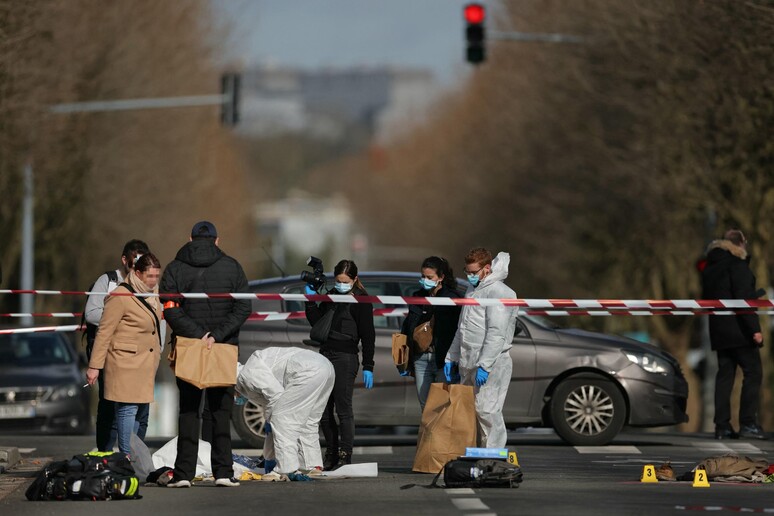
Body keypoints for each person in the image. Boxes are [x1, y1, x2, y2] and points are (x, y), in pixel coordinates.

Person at [160, 221, 251, 488]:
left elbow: (170, 308)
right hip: (223, 347)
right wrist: (216, 334)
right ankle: (222, 472)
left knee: (188, 412)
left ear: (189, 239)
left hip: (189, 346)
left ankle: (183, 474)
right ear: (217, 241)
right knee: (220, 412)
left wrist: (197, 334)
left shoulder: (175, 268)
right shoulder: (233, 267)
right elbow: (243, 307)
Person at [85, 253, 163, 458]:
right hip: (124, 361)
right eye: (150, 276)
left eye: (157, 276)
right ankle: (126, 456)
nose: (154, 280)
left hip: (145, 362)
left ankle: (133, 454)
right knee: (127, 409)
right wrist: (95, 366)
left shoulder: (153, 294)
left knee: (139, 411)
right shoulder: (120, 296)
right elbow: (104, 332)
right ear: (137, 273)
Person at [305, 259, 375, 470]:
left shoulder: (362, 300)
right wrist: (310, 301)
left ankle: (346, 453)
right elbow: (317, 323)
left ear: (354, 280)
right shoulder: (331, 296)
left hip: (346, 357)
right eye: (338, 281)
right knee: (324, 410)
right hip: (325, 354)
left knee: (343, 409)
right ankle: (332, 452)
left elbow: (368, 335)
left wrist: (368, 366)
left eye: (345, 281)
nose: (341, 285)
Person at [445, 248, 518, 449]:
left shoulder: (500, 293)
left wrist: (485, 365)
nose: (469, 276)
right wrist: (452, 357)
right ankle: (475, 453)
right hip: (469, 359)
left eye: (473, 272)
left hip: (493, 362)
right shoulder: (473, 289)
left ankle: (493, 456)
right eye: (467, 272)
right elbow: (463, 328)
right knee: (469, 411)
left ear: (487, 268)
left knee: (488, 410)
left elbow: (496, 333)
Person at [701, 229, 767, 440]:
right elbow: (743, 301)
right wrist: (755, 330)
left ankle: (722, 426)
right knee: (753, 373)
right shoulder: (738, 266)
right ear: (740, 244)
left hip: (719, 330)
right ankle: (748, 423)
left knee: (725, 377)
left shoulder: (710, 268)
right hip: (740, 331)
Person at [235, 347, 335, 477]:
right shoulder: (250, 370)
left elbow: (276, 396)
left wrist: (270, 454)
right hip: (325, 366)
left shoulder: (246, 375)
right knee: (308, 421)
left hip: (306, 369)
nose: (236, 399)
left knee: (282, 418)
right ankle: (311, 466)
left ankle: (286, 468)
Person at [399, 256, 462, 412]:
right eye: (423, 276)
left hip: (443, 359)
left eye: (429, 277)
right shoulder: (417, 297)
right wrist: (404, 358)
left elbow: (458, 330)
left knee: (442, 407)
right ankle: (428, 436)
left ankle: (442, 437)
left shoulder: (452, 298)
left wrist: (455, 360)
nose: (424, 280)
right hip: (420, 358)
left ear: (440, 278)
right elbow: (408, 326)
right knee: (425, 407)